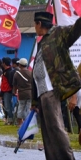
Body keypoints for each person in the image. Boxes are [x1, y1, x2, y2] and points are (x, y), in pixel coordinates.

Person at [31, 11, 81, 159]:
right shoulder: (41, 42)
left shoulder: (58, 33)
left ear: (39, 24)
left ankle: (67, 157)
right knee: (47, 131)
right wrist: (34, 101)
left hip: (52, 90)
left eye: (35, 24)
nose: (34, 27)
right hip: (42, 93)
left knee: (56, 128)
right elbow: (36, 71)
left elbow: (76, 30)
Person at [12, 58, 32, 127]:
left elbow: (15, 85)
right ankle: (28, 123)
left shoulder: (17, 74)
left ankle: (20, 123)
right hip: (30, 93)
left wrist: (14, 92)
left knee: (21, 107)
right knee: (28, 108)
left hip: (21, 93)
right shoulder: (30, 72)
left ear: (20, 65)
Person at [0, 57, 14, 125]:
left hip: (8, 91)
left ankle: (11, 120)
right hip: (5, 91)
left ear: (4, 63)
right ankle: (9, 119)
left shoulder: (9, 72)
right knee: (6, 106)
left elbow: (10, 83)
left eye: (2, 62)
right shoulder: (5, 71)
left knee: (8, 107)